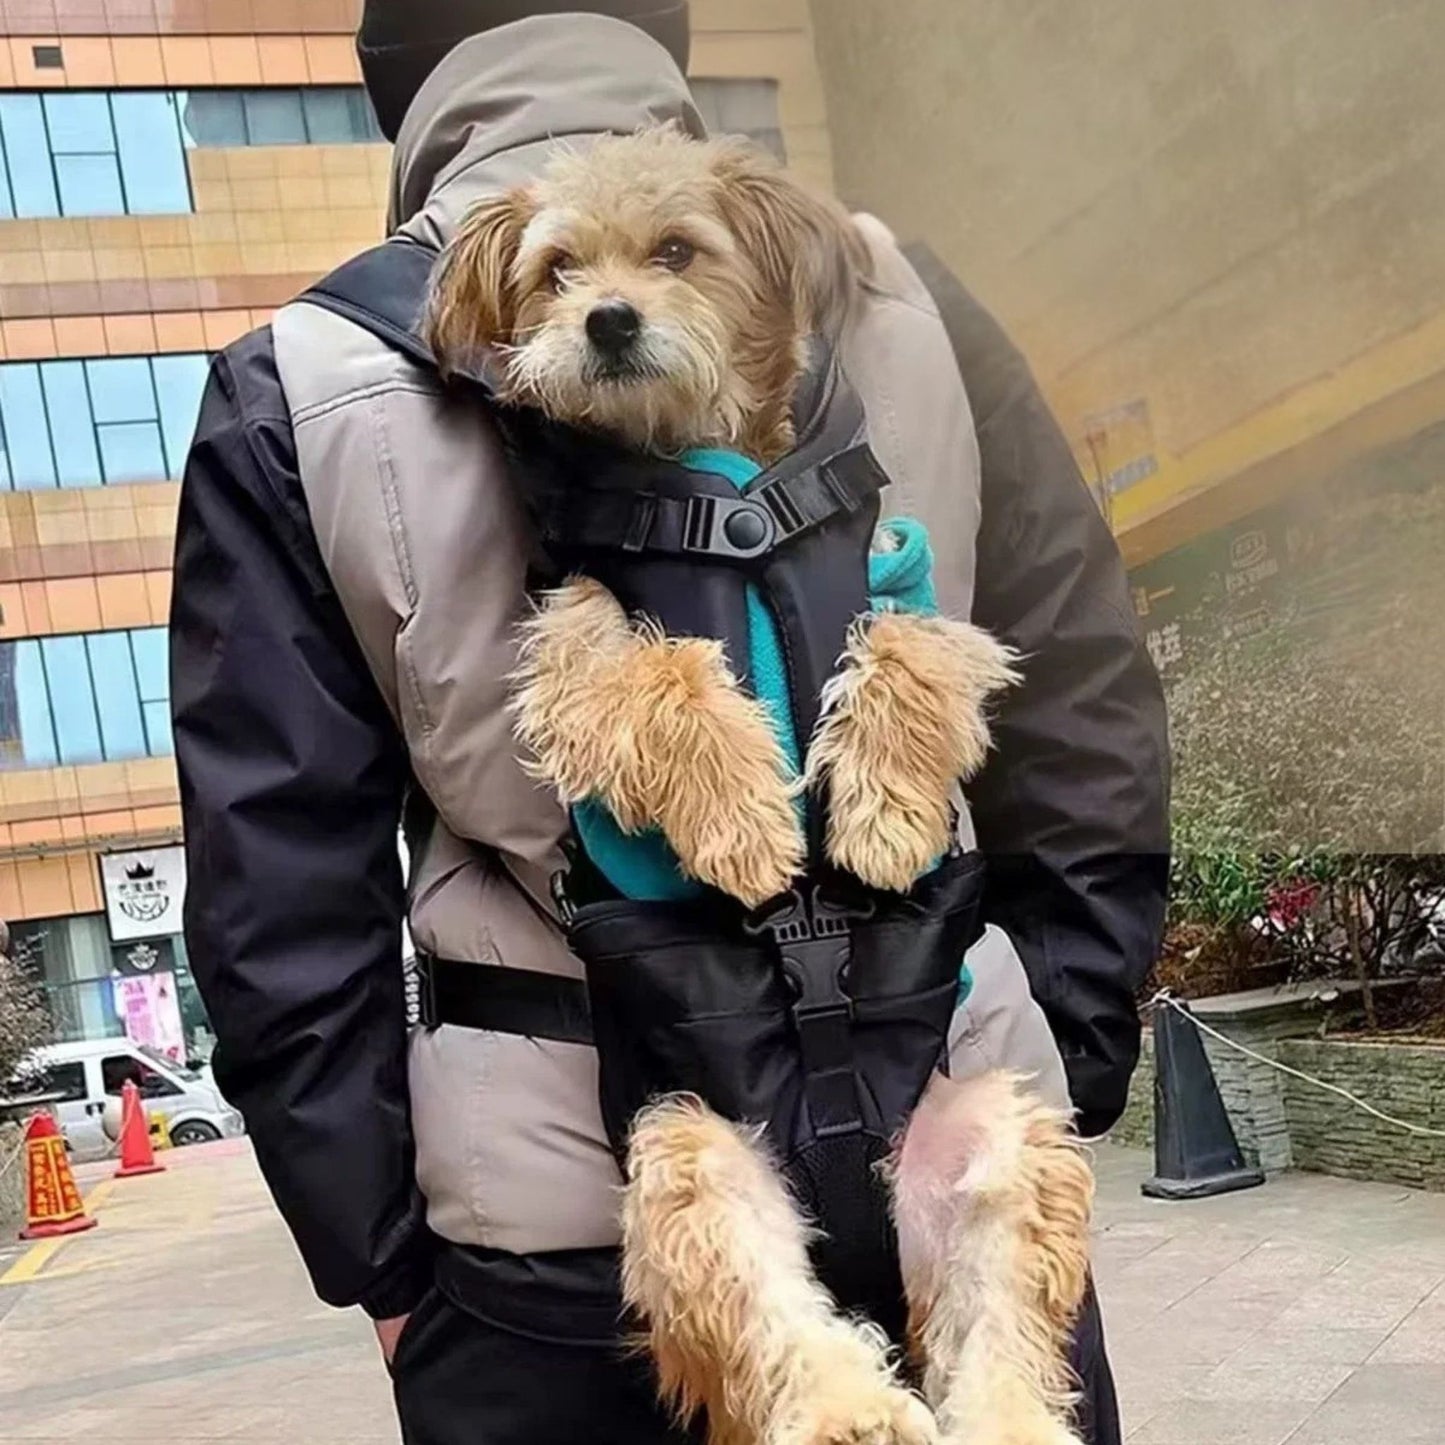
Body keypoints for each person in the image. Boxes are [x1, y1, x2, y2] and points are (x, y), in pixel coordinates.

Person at [170, 3, 1169, 1442]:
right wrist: (1053, 1058)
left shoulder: (296, 383)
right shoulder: (913, 294)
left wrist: (381, 1261)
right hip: (951, 1125)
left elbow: (277, 890)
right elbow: (1083, 702)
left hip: (557, 1247)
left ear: (400, 97)